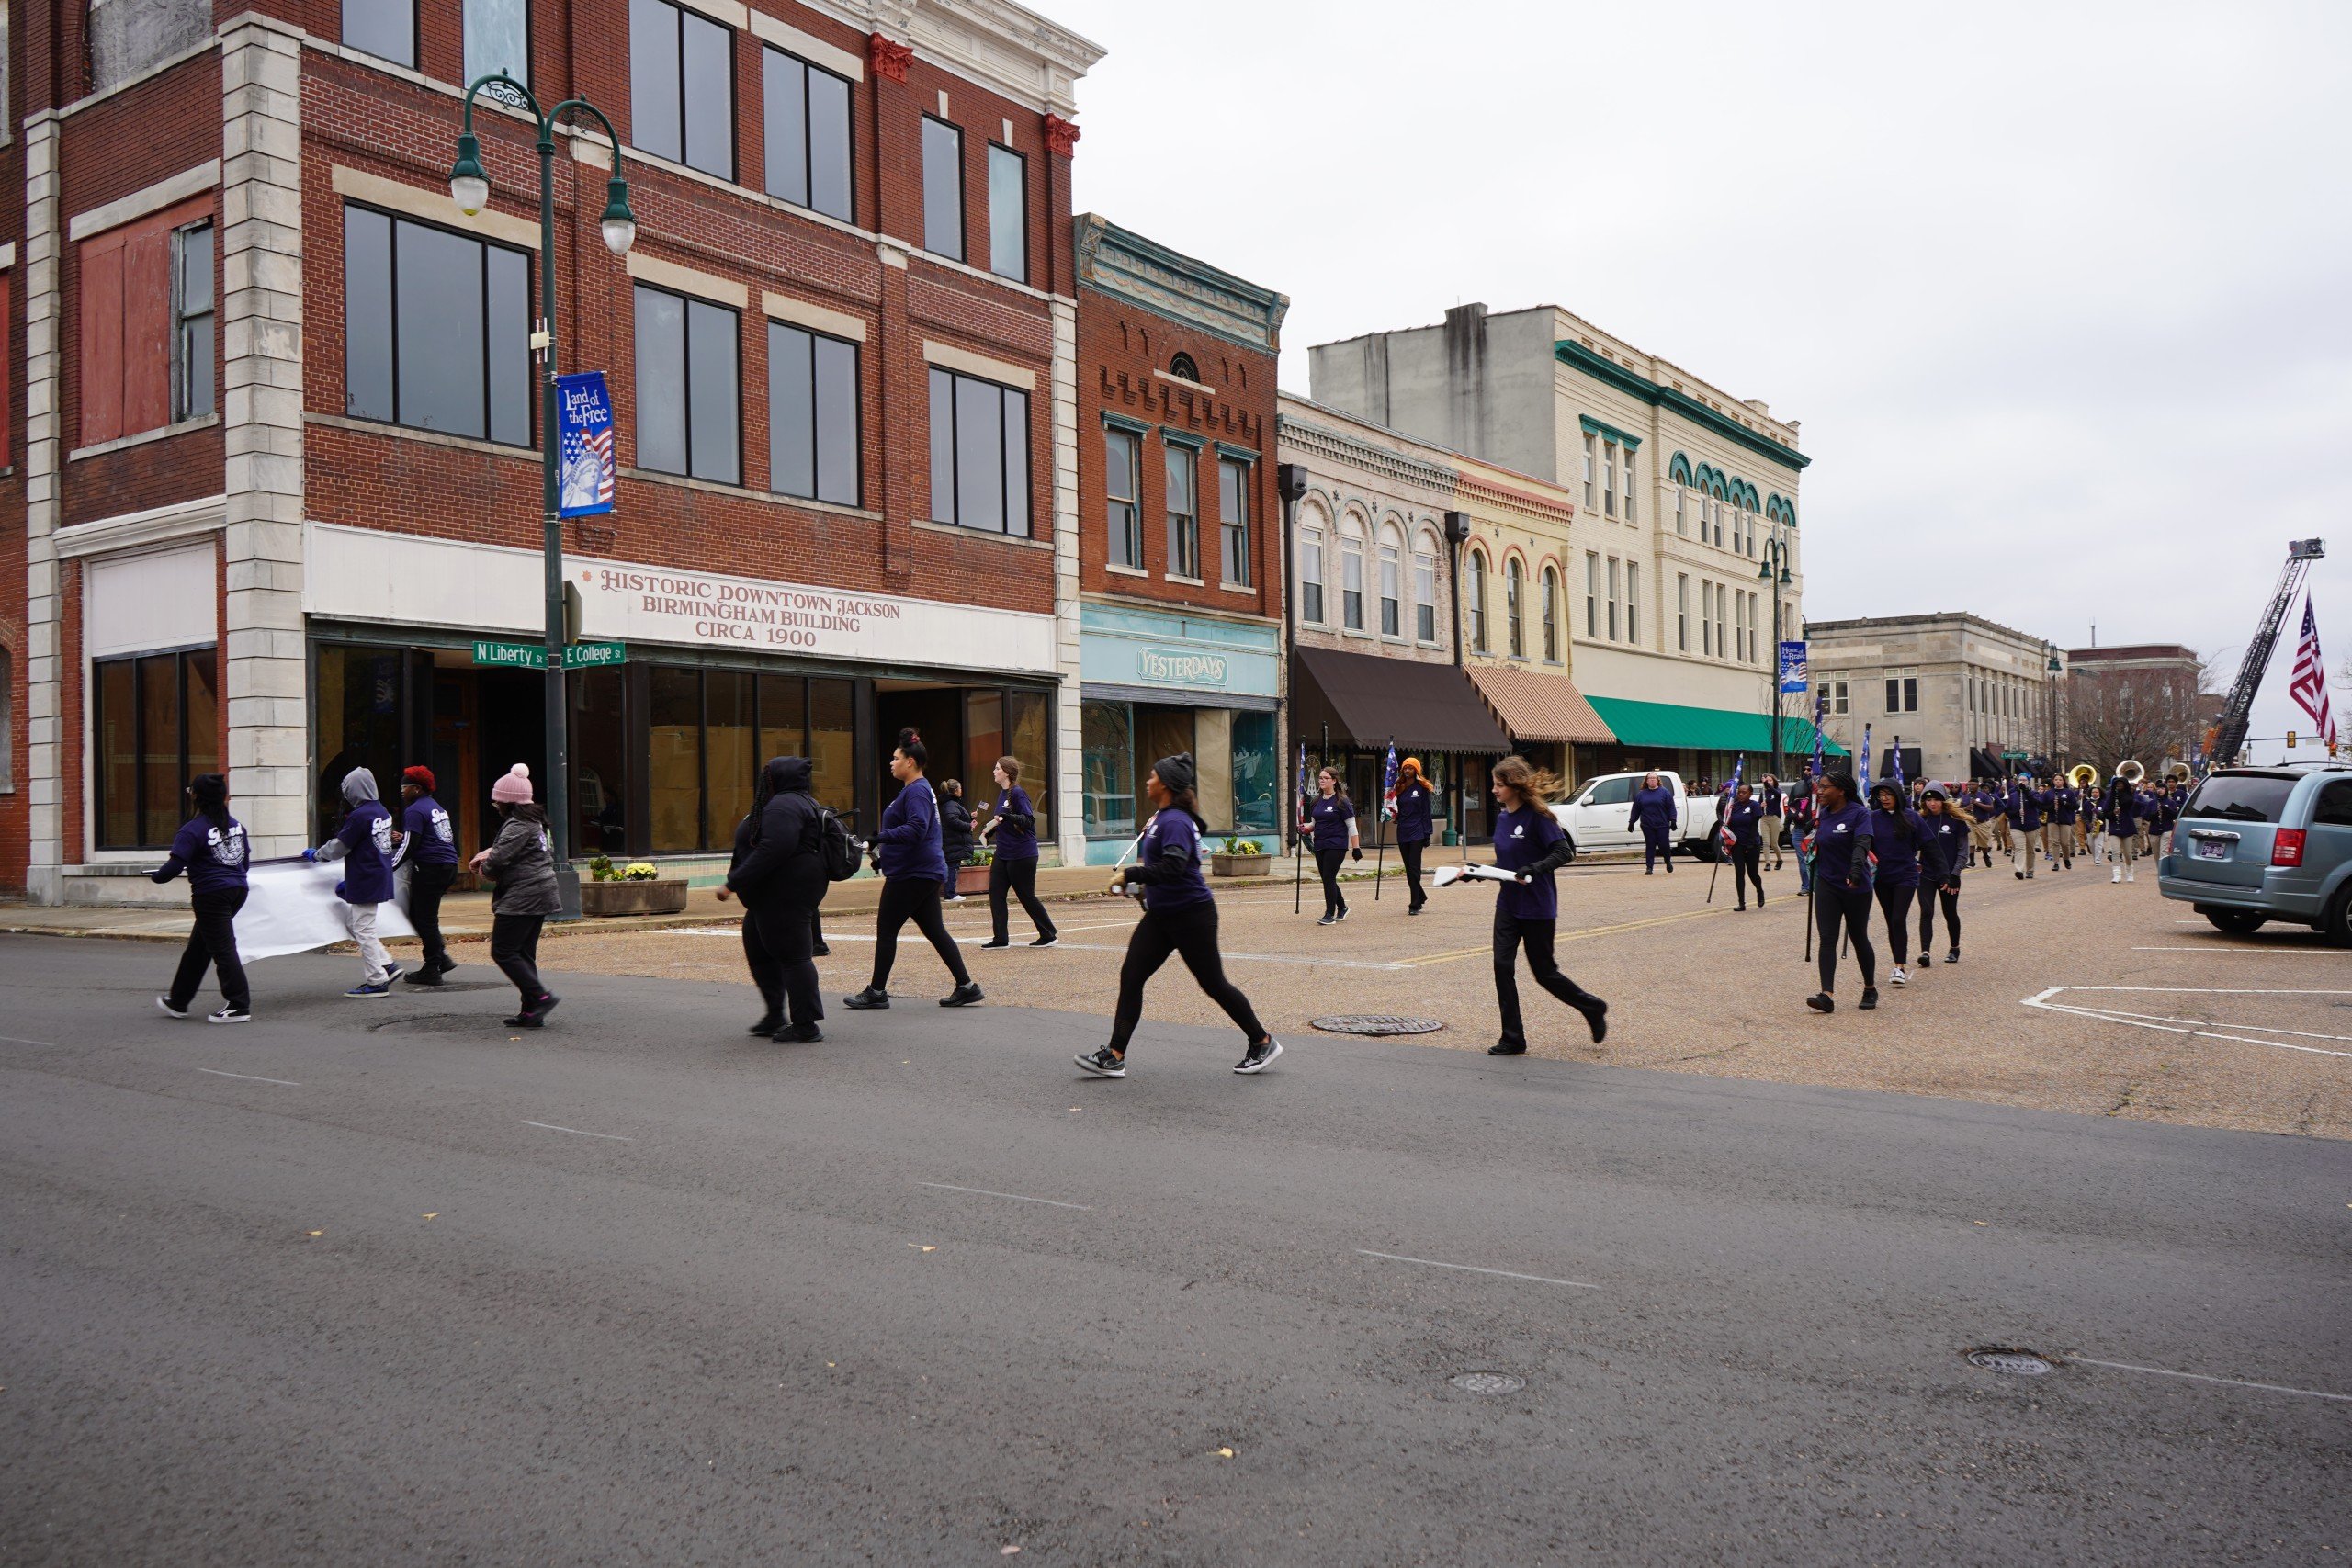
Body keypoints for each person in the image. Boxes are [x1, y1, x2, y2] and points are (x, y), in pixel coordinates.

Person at [1076, 753, 1281, 1077]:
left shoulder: (1175, 821)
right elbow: (1167, 871)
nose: (1147, 781)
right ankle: (1114, 1055)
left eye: (1152, 776)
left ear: (1166, 785)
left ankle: (1262, 1041)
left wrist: (1132, 874)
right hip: (1162, 915)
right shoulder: (1162, 818)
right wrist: (1140, 890)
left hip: (1191, 915)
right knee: (1132, 975)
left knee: (1213, 984)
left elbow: (1173, 867)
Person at [1476, 755, 1608, 1055]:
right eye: (1494, 784)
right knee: (1502, 966)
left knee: (1545, 973)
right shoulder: (1503, 818)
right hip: (1508, 905)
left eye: (1499, 785)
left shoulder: (1539, 818)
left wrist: (1534, 869)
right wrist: (1481, 872)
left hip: (1537, 907)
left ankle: (1592, 1007)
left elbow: (1564, 852)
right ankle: (1513, 1038)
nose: (1494, 790)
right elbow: (1507, 862)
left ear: (1515, 786)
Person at [846, 730, 984, 1010]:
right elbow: (919, 833)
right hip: (922, 871)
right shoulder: (917, 789)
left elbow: (917, 829)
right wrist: (884, 858)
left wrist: (879, 838)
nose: (892, 763)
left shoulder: (917, 791)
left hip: (913, 874)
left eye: (896, 758)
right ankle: (967, 986)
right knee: (935, 930)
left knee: (887, 930)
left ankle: (876, 992)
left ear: (910, 762)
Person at [720, 755, 826, 1043]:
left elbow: (774, 849)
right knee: (759, 950)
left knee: (794, 958)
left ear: (778, 777)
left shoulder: (784, 805)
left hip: (785, 895)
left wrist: (733, 883)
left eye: (767, 775)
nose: (763, 780)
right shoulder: (795, 802)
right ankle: (775, 1014)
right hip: (770, 897)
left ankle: (806, 1025)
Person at [152, 773, 253, 1023]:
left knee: (223, 949)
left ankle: (239, 1005)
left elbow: (173, 868)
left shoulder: (192, 829)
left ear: (196, 797)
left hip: (211, 895)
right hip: (238, 890)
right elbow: (244, 862)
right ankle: (179, 1000)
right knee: (199, 948)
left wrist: (156, 876)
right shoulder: (237, 826)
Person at [469, 763, 562, 1027]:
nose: (496, 805)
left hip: (525, 893)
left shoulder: (518, 825)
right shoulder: (536, 822)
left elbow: (498, 860)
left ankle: (541, 997)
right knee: (523, 952)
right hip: (541, 890)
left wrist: (483, 867)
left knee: (503, 950)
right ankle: (532, 1011)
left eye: (497, 801)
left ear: (507, 801)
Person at [307, 765, 400, 997]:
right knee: (357, 923)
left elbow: (340, 847)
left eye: (347, 790)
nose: (346, 795)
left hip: (365, 876)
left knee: (363, 928)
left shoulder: (360, 816)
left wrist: (317, 854)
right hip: (378, 874)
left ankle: (377, 981)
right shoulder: (382, 811)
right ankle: (386, 964)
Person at [1804, 771, 1877, 1014]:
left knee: (1858, 937)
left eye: (1825, 787)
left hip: (1855, 885)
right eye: (1820, 787)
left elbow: (1862, 843)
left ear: (1842, 790)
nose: (1820, 791)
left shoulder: (1860, 814)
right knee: (1827, 938)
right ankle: (1827, 995)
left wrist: (1855, 870)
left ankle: (1869, 988)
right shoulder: (1823, 814)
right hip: (1827, 883)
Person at [977, 755, 1057, 949]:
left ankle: (1048, 934)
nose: (994, 771)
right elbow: (1003, 820)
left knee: (1026, 895)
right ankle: (1000, 939)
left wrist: (1008, 817)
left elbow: (1028, 820)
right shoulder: (1002, 794)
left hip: (1022, 853)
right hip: (1003, 853)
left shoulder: (1018, 793)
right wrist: (990, 831)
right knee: (996, 893)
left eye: (997, 768)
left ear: (1007, 772)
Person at [394, 765, 460, 985]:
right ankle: (441, 958)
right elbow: (431, 837)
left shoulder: (414, 810)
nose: (402, 791)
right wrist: (405, 837)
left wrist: (388, 867)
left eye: (405, 787)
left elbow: (410, 846)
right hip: (447, 866)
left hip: (430, 868)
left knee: (425, 919)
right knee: (420, 916)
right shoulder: (435, 807)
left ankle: (432, 968)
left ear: (417, 788)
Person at [1867, 782, 1927, 987]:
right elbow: (1864, 845)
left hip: (1906, 876)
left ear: (1898, 795)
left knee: (1898, 919)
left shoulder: (1912, 817)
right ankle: (1897, 961)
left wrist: (1944, 873)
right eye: (1881, 795)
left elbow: (1929, 845)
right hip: (1882, 878)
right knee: (1891, 921)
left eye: (1888, 794)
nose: (1884, 798)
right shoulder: (1873, 818)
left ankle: (1899, 967)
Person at [1301, 766, 1359, 924]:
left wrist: (1356, 848)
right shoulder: (1316, 801)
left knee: (1328, 877)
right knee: (1328, 878)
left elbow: (1352, 826)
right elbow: (1314, 824)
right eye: (1320, 778)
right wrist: (1305, 829)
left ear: (1334, 781)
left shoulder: (1342, 801)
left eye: (1325, 778)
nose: (1321, 780)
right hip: (1320, 844)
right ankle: (1342, 907)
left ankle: (1329, 914)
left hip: (1336, 844)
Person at [1917, 785, 1968, 964]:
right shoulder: (1920, 820)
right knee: (1926, 911)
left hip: (1949, 876)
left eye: (1936, 799)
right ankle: (1925, 952)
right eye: (1928, 800)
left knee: (1949, 912)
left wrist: (1955, 874)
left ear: (1943, 800)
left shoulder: (1955, 820)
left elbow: (1963, 851)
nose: (1932, 803)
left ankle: (1954, 948)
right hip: (1926, 874)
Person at [1393, 756, 1436, 914]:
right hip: (1403, 830)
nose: (1407, 770)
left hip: (1417, 831)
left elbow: (1426, 812)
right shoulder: (1400, 787)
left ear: (1416, 770)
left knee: (1414, 867)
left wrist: (1427, 833)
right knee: (1408, 868)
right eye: (1405, 768)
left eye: (1411, 768)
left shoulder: (1422, 787)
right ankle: (1421, 896)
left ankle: (1414, 904)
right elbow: (1398, 807)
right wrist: (1393, 815)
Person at [1724, 780, 1767, 910]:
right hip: (1737, 845)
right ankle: (1741, 903)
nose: (1741, 794)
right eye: (1739, 792)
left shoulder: (1754, 806)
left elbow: (1754, 827)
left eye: (1744, 792)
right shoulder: (1733, 806)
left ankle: (1759, 890)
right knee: (1739, 873)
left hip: (1751, 844)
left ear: (1750, 794)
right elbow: (1727, 822)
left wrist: (1749, 845)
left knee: (1752, 874)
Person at [1629, 771, 1678, 874]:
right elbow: (1636, 810)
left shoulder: (1664, 792)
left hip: (1662, 824)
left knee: (1664, 845)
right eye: (1650, 778)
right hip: (1647, 825)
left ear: (1657, 780)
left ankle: (1668, 861)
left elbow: (1671, 807)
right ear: (1646, 781)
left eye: (1654, 778)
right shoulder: (1641, 794)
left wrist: (1673, 820)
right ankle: (1649, 867)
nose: (1652, 780)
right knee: (1650, 845)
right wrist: (1631, 822)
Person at [938, 778, 975, 903]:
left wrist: (969, 816)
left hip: (952, 841)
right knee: (953, 866)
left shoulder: (951, 803)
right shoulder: (951, 804)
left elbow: (955, 817)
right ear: (955, 791)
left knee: (952, 866)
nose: (961, 790)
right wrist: (968, 826)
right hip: (953, 841)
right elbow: (952, 820)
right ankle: (950, 894)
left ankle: (950, 893)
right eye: (960, 788)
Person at [2005, 775, 2045, 881]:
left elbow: (2038, 804)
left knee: (2030, 849)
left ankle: (2030, 870)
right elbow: (2007, 811)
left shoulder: (2034, 793)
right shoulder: (2013, 795)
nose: (2022, 782)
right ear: (2017, 782)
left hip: (2031, 825)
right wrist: (2017, 813)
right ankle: (2019, 870)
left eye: (2024, 780)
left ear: (2028, 782)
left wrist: (2027, 792)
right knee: (2020, 848)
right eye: (2020, 780)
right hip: (2016, 826)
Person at [2105, 778, 2141, 883]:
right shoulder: (2110, 798)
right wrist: (2113, 813)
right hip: (2114, 826)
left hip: (2127, 826)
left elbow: (2129, 802)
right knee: (2115, 851)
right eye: (2117, 784)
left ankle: (2129, 873)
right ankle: (2117, 875)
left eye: (2121, 784)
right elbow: (2105, 813)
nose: (2119, 785)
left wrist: (2119, 797)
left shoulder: (2129, 796)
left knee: (2127, 853)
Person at [2047, 777, 2079, 872]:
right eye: (2056, 779)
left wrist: (2064, 803)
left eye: (2060, 779)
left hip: (2065, 819)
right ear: (2053, 781)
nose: (2058, 781)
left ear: (2063, 781)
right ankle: (2056, 863)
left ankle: (2066, 858)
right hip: (2052, 820)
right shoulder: (2049, 793)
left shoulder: (2069, 792)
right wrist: (2052, 806)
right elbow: (2043, 806)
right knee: (2055, 842)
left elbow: (2075, 806)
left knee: (2065, 843)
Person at [1758, 773, 1787, 871]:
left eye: (1770, 780)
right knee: (1765, 842)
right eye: (1767, 780)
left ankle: (1779, 860)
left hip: (1774, 818)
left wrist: (1767, 784)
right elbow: (1759, 805)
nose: (1768, 782)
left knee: (1774, 843)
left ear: (1774, 782)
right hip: (1764, 818)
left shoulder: (1777, 791)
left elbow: (1778, 795)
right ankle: (1767, 863)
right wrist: (1761, 805)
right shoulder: (1763, 792)